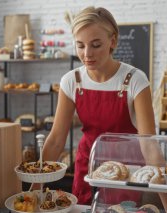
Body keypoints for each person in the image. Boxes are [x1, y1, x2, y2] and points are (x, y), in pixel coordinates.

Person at [41, 6, 156, 205]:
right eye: (80, 45)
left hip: (125, 171)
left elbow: (149, 145)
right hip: (88, 167)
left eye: (95, 45)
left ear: (113, 41)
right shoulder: (72, 81)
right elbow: (56, 141)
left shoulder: (135, 80)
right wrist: (36, 188)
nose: (87, 54)